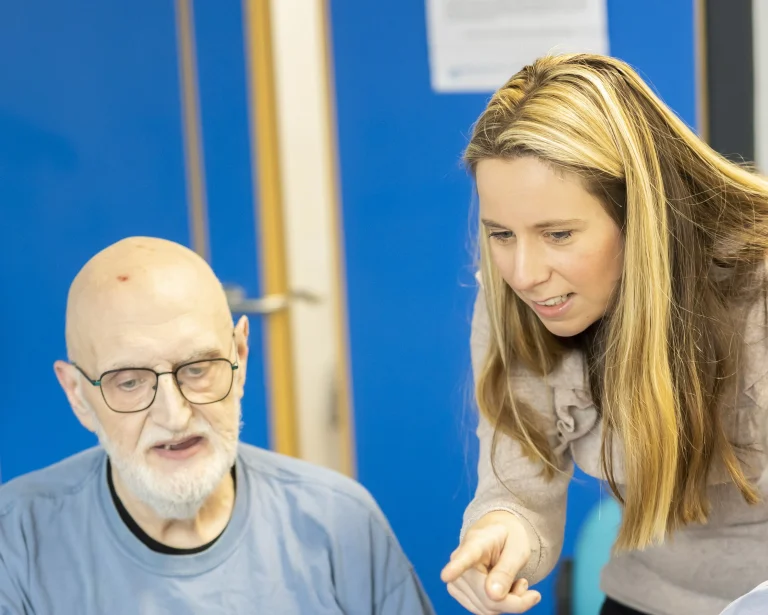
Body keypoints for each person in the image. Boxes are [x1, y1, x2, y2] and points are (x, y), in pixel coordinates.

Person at [440, 54, 768, 615]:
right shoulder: (519, 299)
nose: (524, 273)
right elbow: (519, 484)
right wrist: (504, 528)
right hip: (646, 597)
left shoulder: (756, 294)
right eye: (501, 234)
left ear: (641, 215)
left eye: (558, 233)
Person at [0, 237, 435, 615]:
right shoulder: (15, 541)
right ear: (77, 393)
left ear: (241, 357)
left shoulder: (341, 523)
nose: (174, 416)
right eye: (129, 382)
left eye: (197, 368)